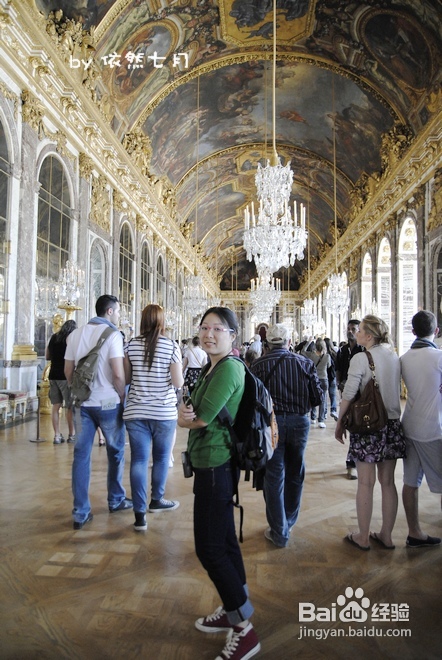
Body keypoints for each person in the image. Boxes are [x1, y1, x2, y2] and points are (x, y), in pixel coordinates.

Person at [177, 307, 260, 660]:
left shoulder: (228, 368)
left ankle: (244, 631)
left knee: (209, 549)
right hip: (212, 464)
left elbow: (199, 417)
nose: (209, 334)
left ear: (233, 335)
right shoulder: (214, 367)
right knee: (225, 541)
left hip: (215, 465)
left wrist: (184, 420)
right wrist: (186, 414)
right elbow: (192, 409)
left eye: (218, 329)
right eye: (204, 327)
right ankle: (234, 607)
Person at [335, 315, 406, 551]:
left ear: (369, 335)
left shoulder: (361, 358)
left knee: (365, 483)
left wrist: (340, 422)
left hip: (369, 425)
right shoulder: (393, 356)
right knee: (388, 483)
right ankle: (386, 535)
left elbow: (349, 393)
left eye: (360, 331)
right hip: (392, 424)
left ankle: (363, 537)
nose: (356, 334)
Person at [251, 324, 323, 548]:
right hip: (300, 422)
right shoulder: (305, 363)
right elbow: (318, 397)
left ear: (267, 343)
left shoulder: (258, 365)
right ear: (289, 342)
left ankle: (279, 530)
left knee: (273, 476)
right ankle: (288, 522)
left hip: (271, 425)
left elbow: (251, 399)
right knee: (295, 472)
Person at [64, 294, 132, 530]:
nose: (119, 315)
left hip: (82, 404)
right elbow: (118, 374)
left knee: (81, 456)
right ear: (110, 311)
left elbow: (68, 371)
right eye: (119, 311)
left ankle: (80, 512)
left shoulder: (75, 334)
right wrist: (122, 397)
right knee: (115, 452)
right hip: (108, 403)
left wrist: (79, 390)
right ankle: (116, 499)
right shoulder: (113, 335)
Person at [123, 304, 183, 532]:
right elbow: (178, 383)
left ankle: (139, 515)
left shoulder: (130, 345)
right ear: (162, 321)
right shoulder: (171, 346)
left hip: (136, 411)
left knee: (138, 460)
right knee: (161, 458)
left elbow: (127, 378)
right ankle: (156, 500)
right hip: (164, 412)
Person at [400, 310, 441, 548]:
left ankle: (414, 531)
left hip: (409, 425)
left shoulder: (404, 358)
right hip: (433, 428)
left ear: (413, 331)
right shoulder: (438, 357)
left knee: (410, 481)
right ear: (436, 331)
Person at [336, 319, 364, 479]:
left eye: (353, 329)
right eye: (348, 329)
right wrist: (340, 385)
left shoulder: (363, 350)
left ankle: (353, 463)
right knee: (352, 428)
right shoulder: (343, 350)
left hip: (361, 395)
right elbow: (338, 368)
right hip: (347, 393)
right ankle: (353, 461)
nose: (350, 331)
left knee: (355, 430)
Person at [45, 319, 77, 444]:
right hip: (66, 376)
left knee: (56, 406)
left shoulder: (54, 337)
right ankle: (72, 435)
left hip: (53, 375)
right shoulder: (71, 339)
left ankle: (57, 435)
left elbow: (47, 356)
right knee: (70, 407)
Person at [301, 338, 331, 428]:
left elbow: (302, 351)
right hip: (324, 379)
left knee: (313, 396)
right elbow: (329, 366)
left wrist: (309, 342)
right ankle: (321, 420)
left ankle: (313, 417)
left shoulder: (311, 355)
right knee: (323, 399)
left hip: (314, 379)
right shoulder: (327, 356)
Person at [324, 337, 338, 421]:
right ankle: (333, 410)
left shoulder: (323, 354)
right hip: (332, 376)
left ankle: (324, 412)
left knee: (324, 395)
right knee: (333, 395)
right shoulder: (334, 354)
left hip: (324, 376)